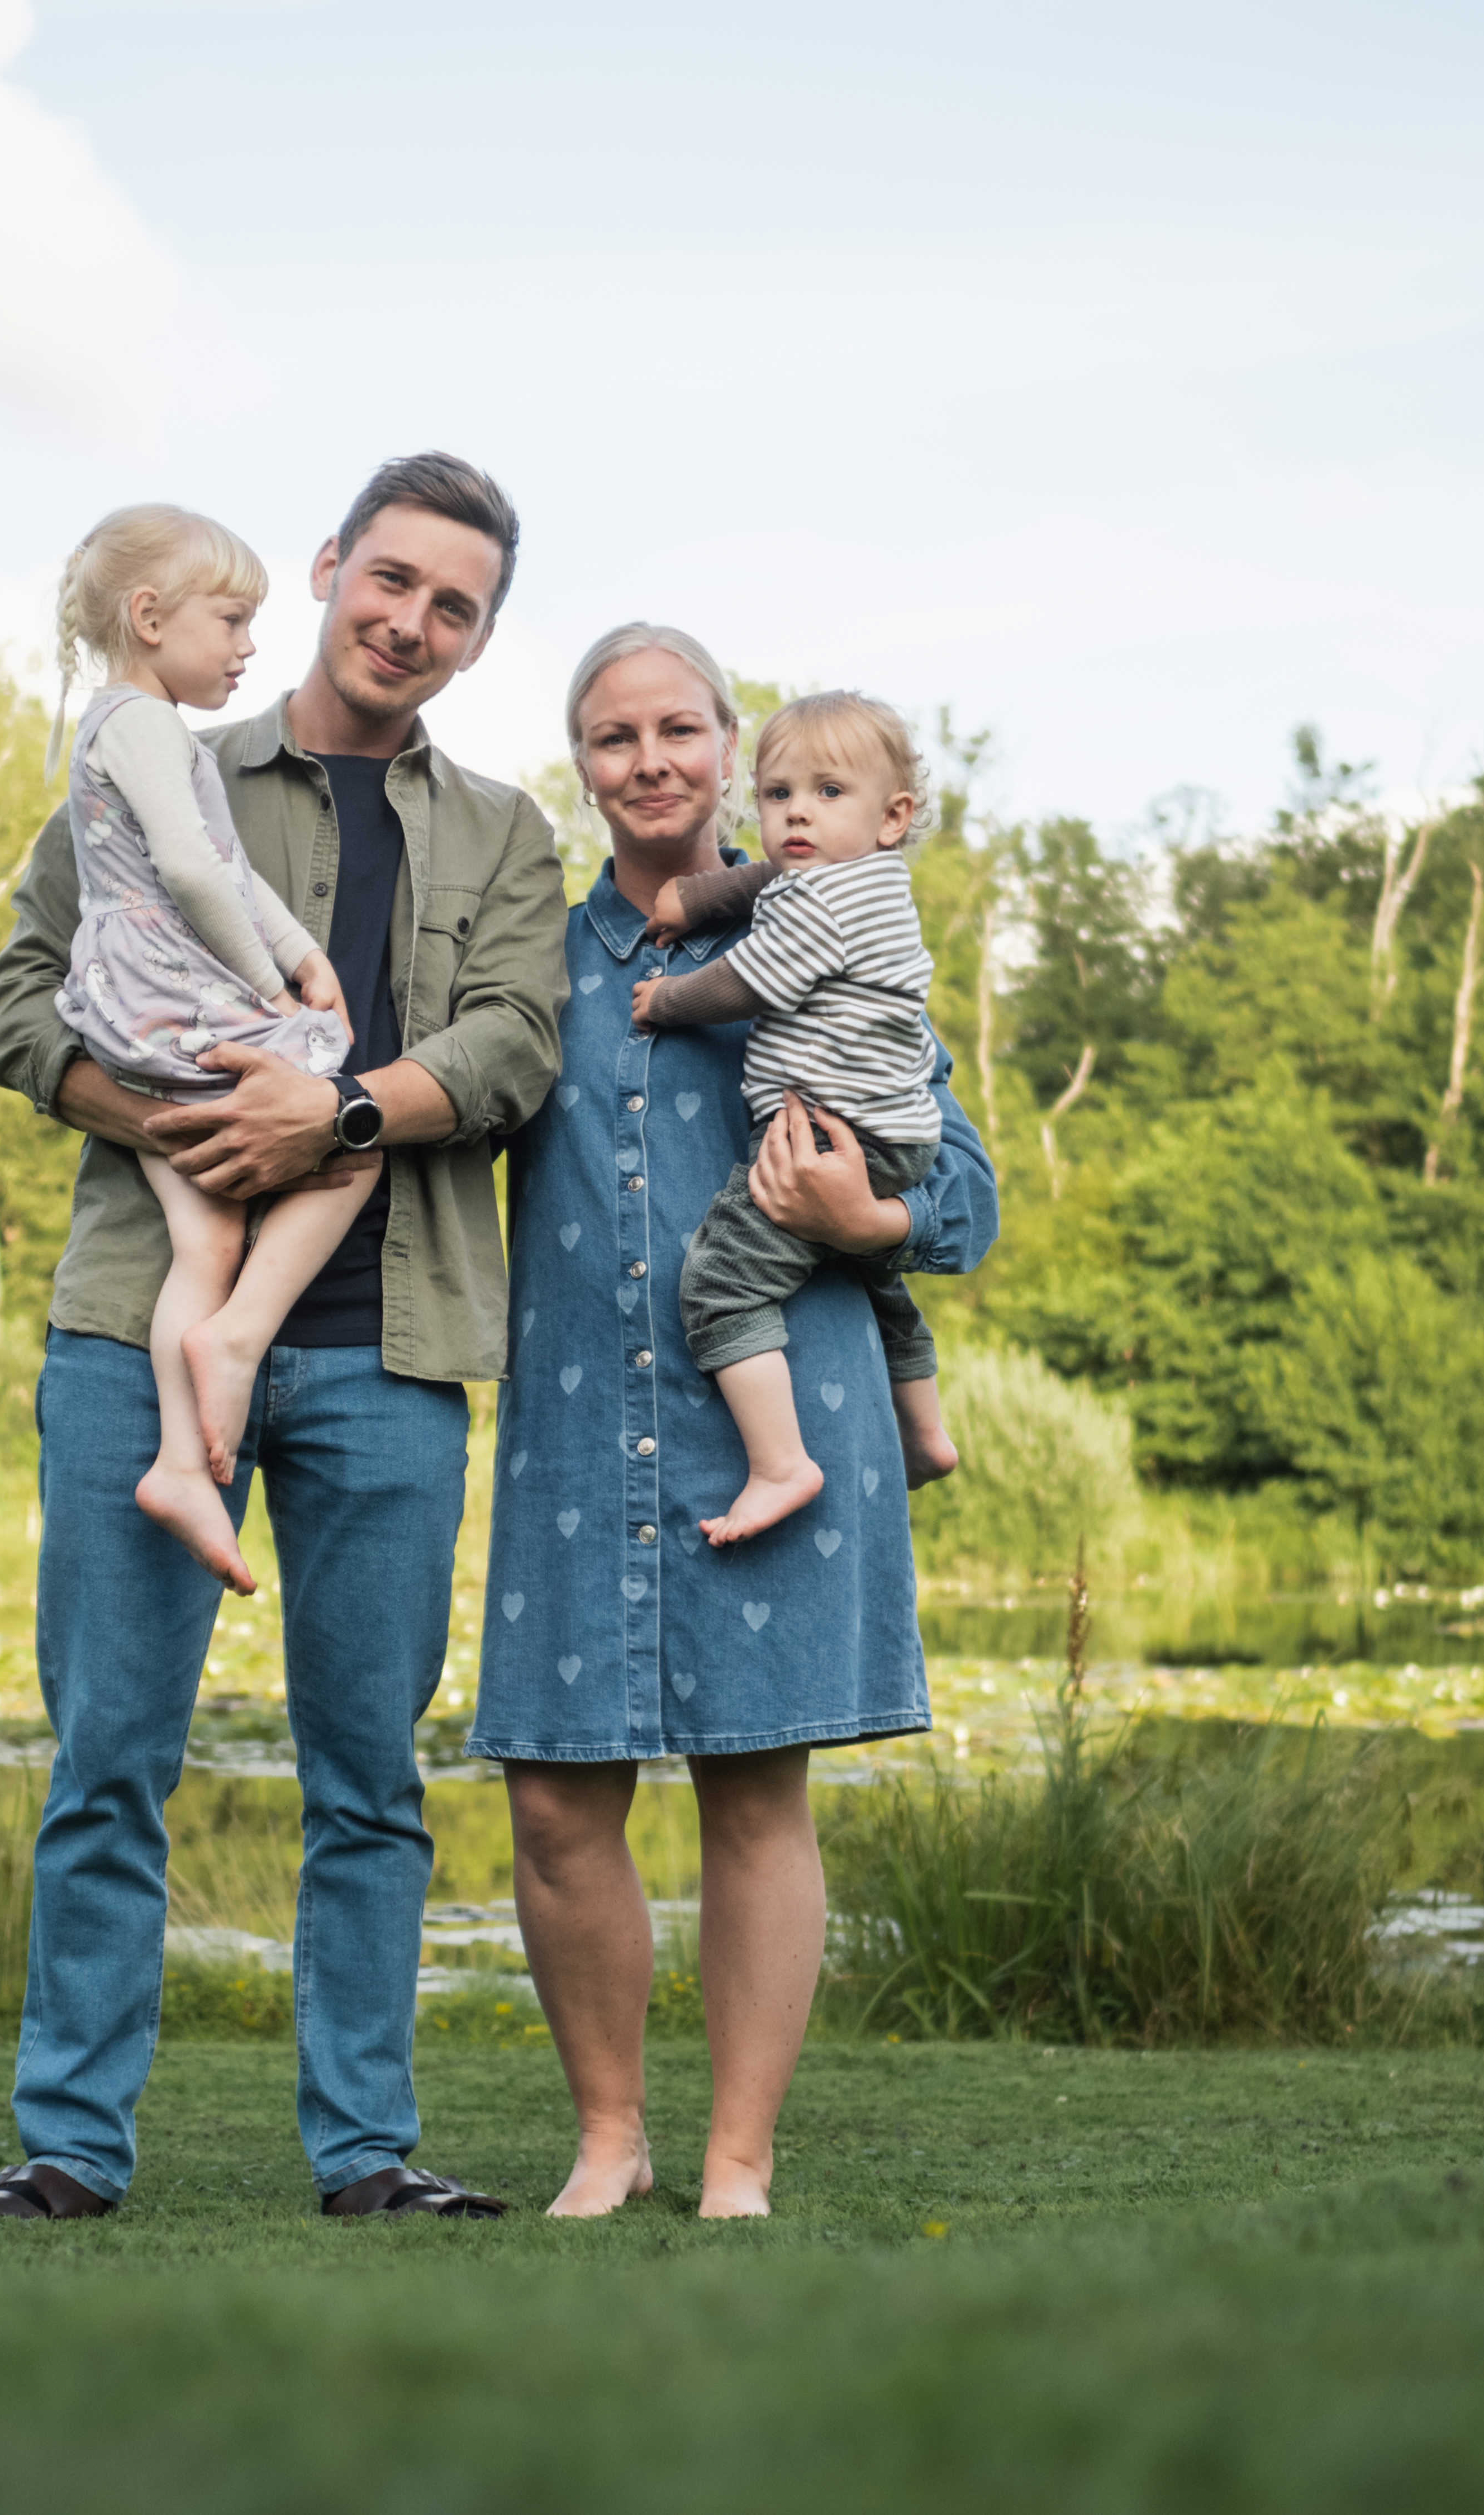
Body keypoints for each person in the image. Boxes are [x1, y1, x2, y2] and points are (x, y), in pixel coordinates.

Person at [0, 455, 567, 2223]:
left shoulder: (509, 832)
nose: (411, 621)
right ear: (326, 571)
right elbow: (16, 996)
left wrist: (339, 1121)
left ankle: (364, 2151)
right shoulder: (159, 757)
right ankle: (71, 2144)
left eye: (455, 604)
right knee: (107, 1760)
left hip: (397, 1350)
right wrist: (152, 1119)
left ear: (479, 635)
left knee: (369, 1779)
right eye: (392, 580)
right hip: (138, 1328)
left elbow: (518, 1044)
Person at [470, 624, 996, 2220]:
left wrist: (866, 1216)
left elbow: (964, 1201)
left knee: (757, 1790)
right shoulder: (528, 965)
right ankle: (608, 2138)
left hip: (783, 1413)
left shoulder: (838, 930)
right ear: (584, 766)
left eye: (681, 730)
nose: (651, 761)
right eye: (615, 736)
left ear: (726, 748)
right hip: (574, 1426)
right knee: (558, 1799)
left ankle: (739, 2159)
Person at [42, 501, 374, 1593]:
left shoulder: (123, 727)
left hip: (128, 1017)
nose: (246, 648)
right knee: (352, 1132)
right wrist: (265, 981)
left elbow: (228, 870)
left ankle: (185, 1464)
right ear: (148, 617)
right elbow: (193, 874)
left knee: (207, 1237)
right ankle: (237, 1343)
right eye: (230, 621)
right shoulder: (143, 726)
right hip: (169, 997)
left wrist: (299, 947)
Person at [630, 690, 959, 1543]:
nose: (796, 814)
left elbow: (749, 982)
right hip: (894, 1137)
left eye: (827, 793)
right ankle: (925, 1434)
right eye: (778, 796)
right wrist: (695, 900)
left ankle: (782, 1463)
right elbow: (759, 880)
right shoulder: (861, 879)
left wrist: (668, 999)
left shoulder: (823, 906)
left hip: (826, 1136)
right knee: (876, 1279)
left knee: (720, 1281)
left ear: (894, 817)